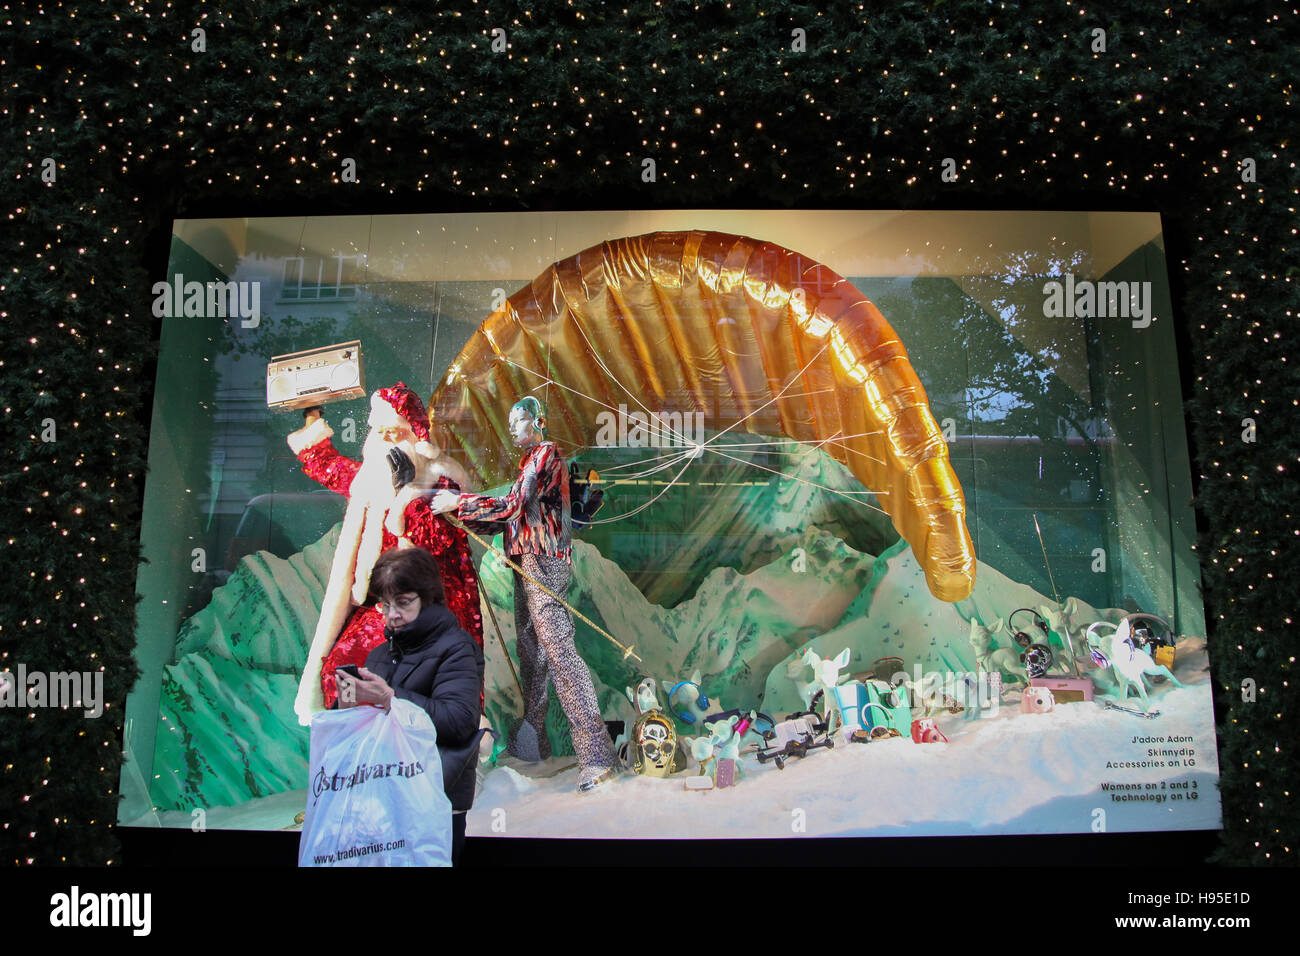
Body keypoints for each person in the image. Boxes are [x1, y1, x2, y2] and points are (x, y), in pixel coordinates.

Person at [429, 396, 617, 793]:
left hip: (544, 559)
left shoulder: (545, 455)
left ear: (539, 422)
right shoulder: (529, 462)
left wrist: (460, 504)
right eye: (511, 422)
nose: (513, 429)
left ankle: (597, 754)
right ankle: (535, 743)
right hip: (525, 558)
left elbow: (513, 507)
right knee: (532, 649)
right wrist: (462, 514)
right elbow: (510, 516)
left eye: (520, 421)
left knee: (557, 648)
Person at [286, 382, 483, 722]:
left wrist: (404, 493)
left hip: (427, 612)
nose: (385, 440)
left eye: (394, 432)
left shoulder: (441, 481)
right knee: (343, 669)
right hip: (380, 607)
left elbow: (433, 540)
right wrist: (312, 416)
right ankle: (358, 743)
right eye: (378, 431)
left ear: (415, 437)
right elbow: (324, 462)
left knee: (408, 682)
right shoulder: (368, 480)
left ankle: (406, 749)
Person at [336, 547, 485, 866]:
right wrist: (347, 701)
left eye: (403, 603)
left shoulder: (457, 648)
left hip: (436, 803)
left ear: (428, 598)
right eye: (385, 605)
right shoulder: (379, 653)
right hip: (383, 803)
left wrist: (389, 699)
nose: (392, 615)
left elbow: (459, 722)